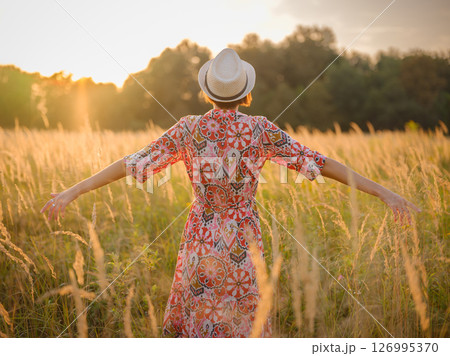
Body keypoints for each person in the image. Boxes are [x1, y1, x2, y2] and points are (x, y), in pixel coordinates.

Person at [40, 48, 421, 337]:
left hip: (200, 238)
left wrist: (74, 191)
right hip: (243, 241)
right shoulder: (259, 130)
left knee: (199, 326)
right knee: (244, 330)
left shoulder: (188, 129)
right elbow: (322, 164)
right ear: (246, 94)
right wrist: (385, 193)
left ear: (208, 93)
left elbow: (131, 163)